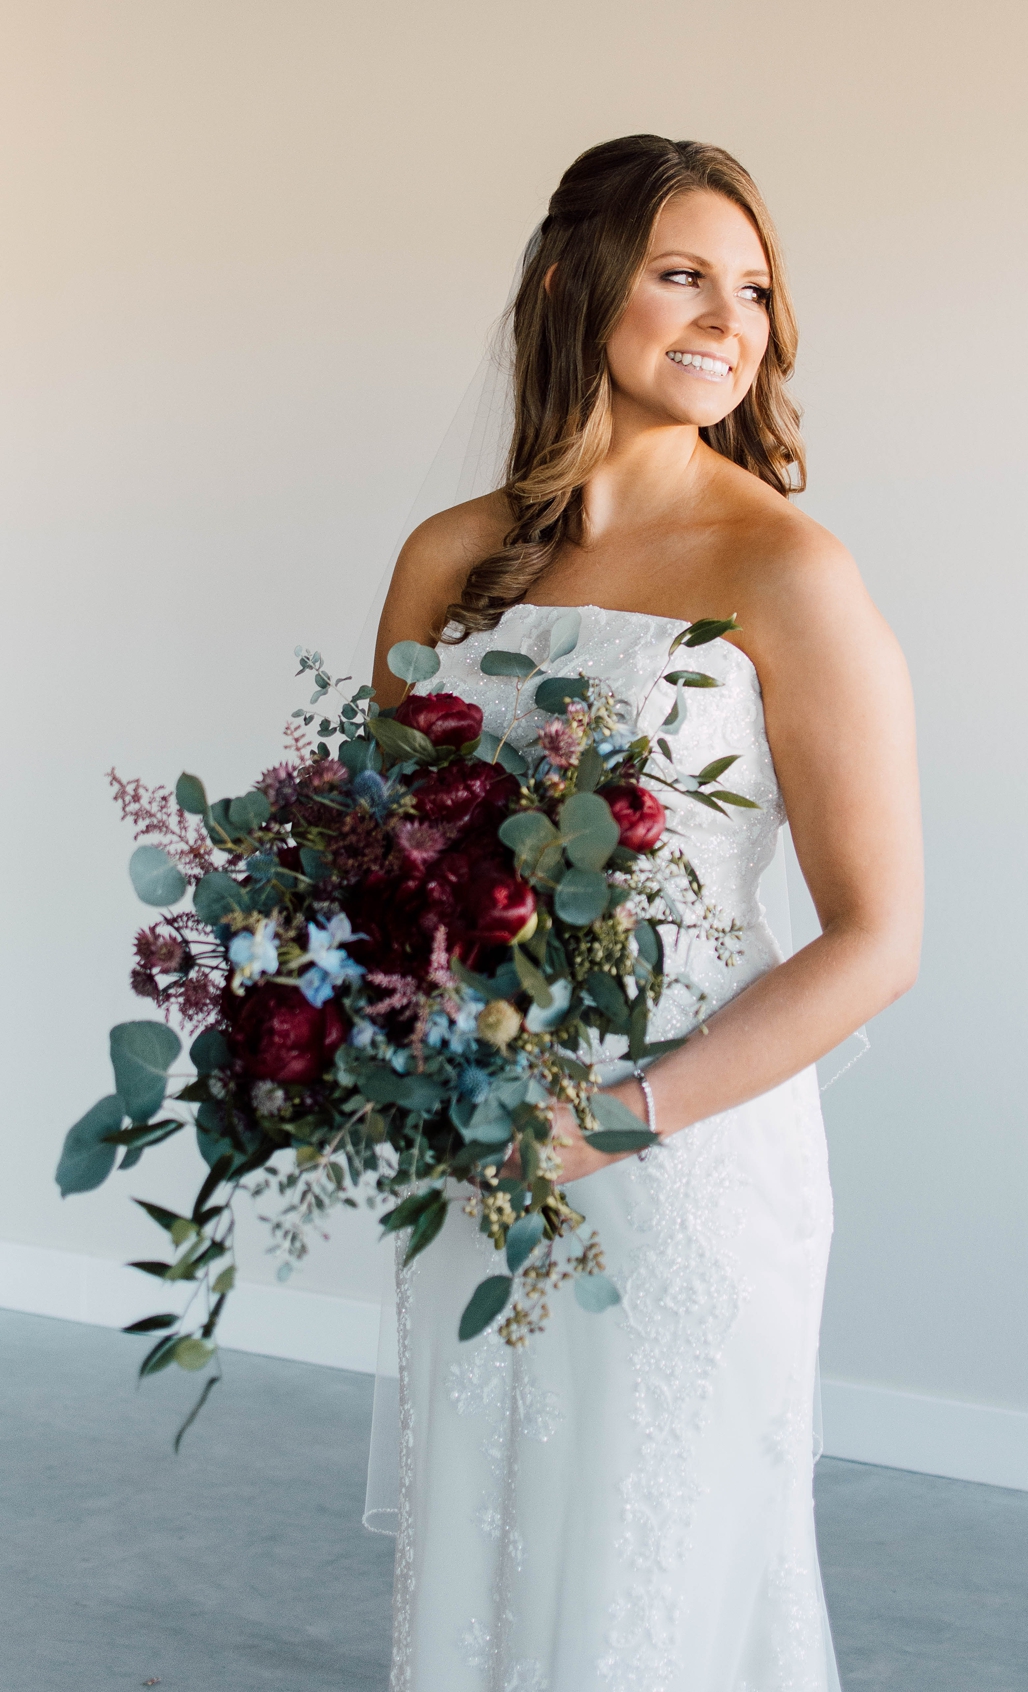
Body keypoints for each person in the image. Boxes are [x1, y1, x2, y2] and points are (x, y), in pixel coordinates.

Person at [371, 134, 923, 1692]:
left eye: (752, 289)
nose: (725, 319)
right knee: (494, 1541)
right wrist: (418, 1058)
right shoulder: (454, 559)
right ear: (573, 284)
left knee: (656, 1586)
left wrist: (618, 1116)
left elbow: (881, 935)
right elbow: (383, 860)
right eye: (683, 272)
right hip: (482, 1134)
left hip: (684, 1151)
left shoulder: (787, 569)